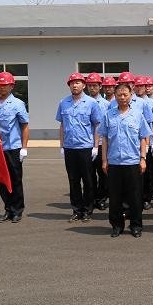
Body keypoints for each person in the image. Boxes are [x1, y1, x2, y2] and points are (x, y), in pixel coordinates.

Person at [99, 81, 151, 237]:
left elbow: (143, 138)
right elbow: (105, 139)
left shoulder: (137, 115)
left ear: (130, 96)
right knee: (115, 197)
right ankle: (116, 225)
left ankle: (136, 226)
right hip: (114, 162)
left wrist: (143, 158)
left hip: (132, 162)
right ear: (115, 96)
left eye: (125, 94)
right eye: (119, 95)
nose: (122, 97)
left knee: (135, 196)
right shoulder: (108, 115)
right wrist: (104, 160)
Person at [56, 72, 103, 222]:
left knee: (88, 180)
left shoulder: (91, 103)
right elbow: (62, 125)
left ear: (83, 85)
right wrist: (62, 146)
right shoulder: (63, 102)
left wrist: (95, 146)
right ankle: (76, 210)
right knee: (73, 180)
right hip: (70, 148)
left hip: (85, 147)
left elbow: (97, 125)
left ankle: (88, 210)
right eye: (72, 83)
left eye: (77, 83)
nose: (74, 85)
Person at [0, 72, 30, 222]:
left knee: (15, 180)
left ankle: (17, 210)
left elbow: (25, 126)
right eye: (0, 85)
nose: (2, 87)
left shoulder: (18, 104)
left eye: (5, 85)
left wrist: (24, 147)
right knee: (1, 180)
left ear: (12, 86)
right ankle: (8, 209)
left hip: (13, 147)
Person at [85, 72, 110, 211]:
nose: (92, 88)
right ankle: (91, 198)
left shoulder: (107, 104)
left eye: (95, 85)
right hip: (87, 143)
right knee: (89, 174)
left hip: (102, 144)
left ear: (100, 86)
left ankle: (101, 198)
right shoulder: (84, 102)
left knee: (103, 173)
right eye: (90, 85)